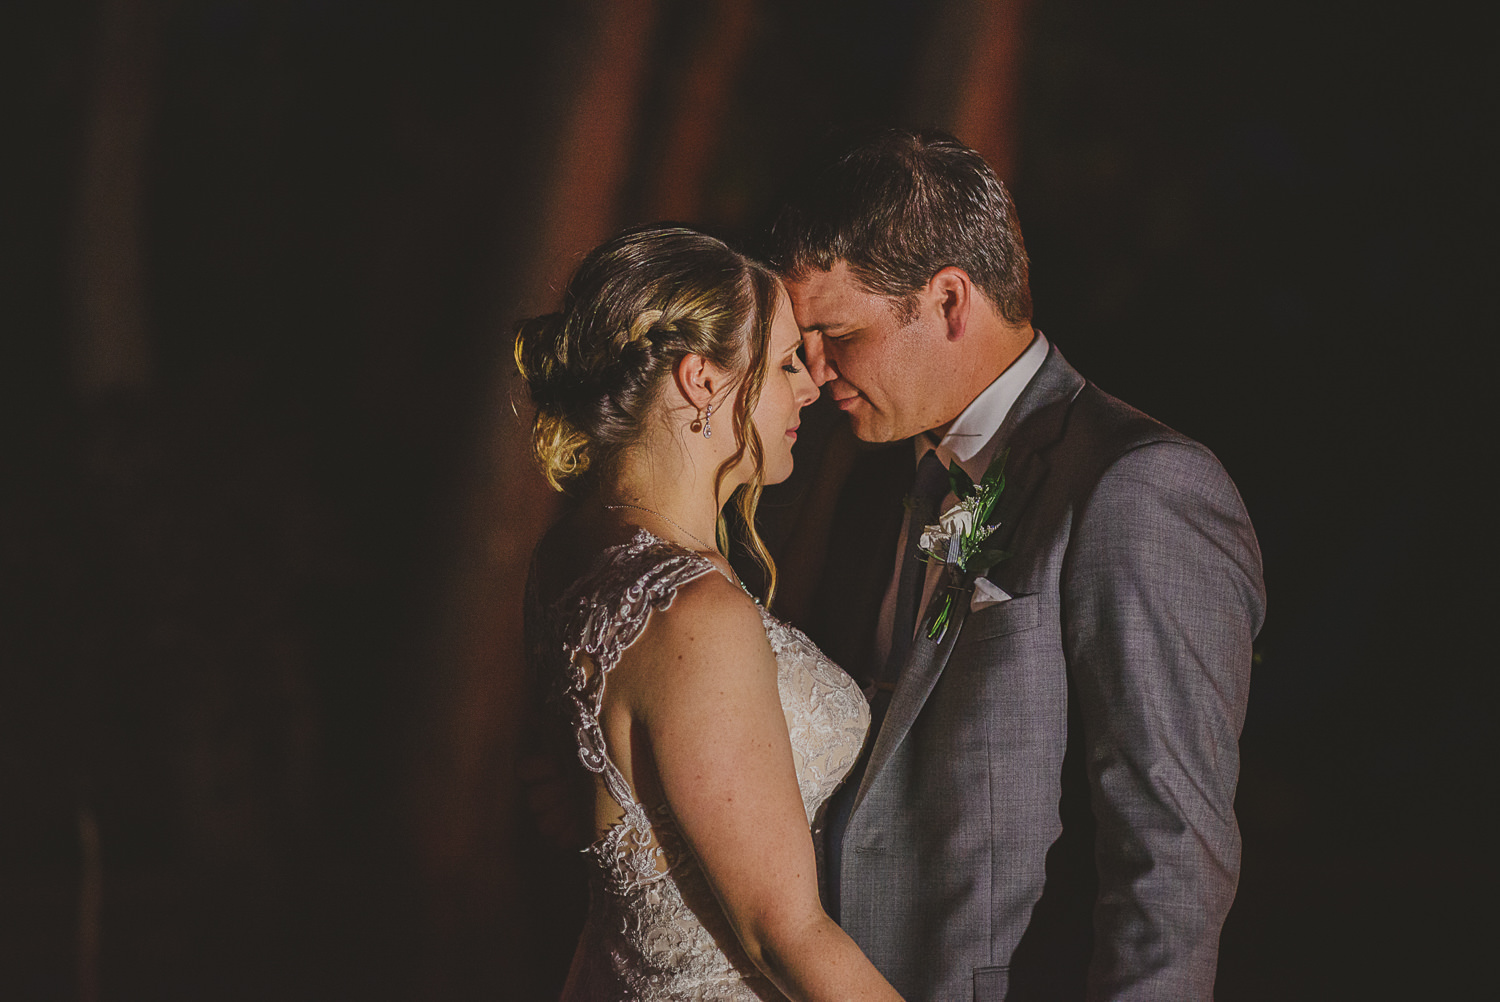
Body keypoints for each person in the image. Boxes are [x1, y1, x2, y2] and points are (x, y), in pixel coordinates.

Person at [762, 128, 1266, 1000]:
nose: (813, 370)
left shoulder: (1139, 486)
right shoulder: (880, 485)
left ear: (949, 300)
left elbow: (1171, 851)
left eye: (835, 332)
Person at [515, 224, 905, 1001]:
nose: (809, 385)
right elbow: (784, 932)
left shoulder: (570, 556)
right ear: (700, 380)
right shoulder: (695, 610)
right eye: (788, 360)